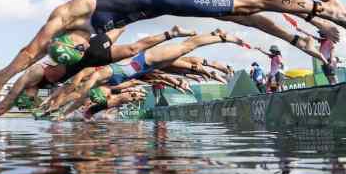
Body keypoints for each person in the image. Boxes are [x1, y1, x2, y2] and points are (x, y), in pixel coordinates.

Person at [0, 0, 346, 101]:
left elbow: (30, 50)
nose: (81, 51)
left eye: (74, 50)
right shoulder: (94, 38)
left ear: (67, 40)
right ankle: (308, 26)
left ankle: (320, 5)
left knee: (245, 4)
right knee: (245, 9)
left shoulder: (68, 15)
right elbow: (35, 58)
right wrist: (1, 82)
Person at [0, 26, 196, 129]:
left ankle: (169, 33)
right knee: (131, 50)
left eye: (28, 98)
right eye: (31, 99)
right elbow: (63, 94)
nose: (30, 97)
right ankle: (169, 34)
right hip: (91, 61)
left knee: (126, 37)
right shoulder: (43, 84)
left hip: (88, 53)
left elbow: (8, 99)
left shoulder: (32, 75)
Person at [45, 29, 247, 114]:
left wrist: (61, 109)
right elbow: (77, 94)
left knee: (187, 48)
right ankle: (206, 68)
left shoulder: (98, 77)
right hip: (147, 68)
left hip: (146, 60)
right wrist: (61, 109)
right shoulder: (112, 87)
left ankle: (218, 37)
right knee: (184, 62)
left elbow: (77, 93)